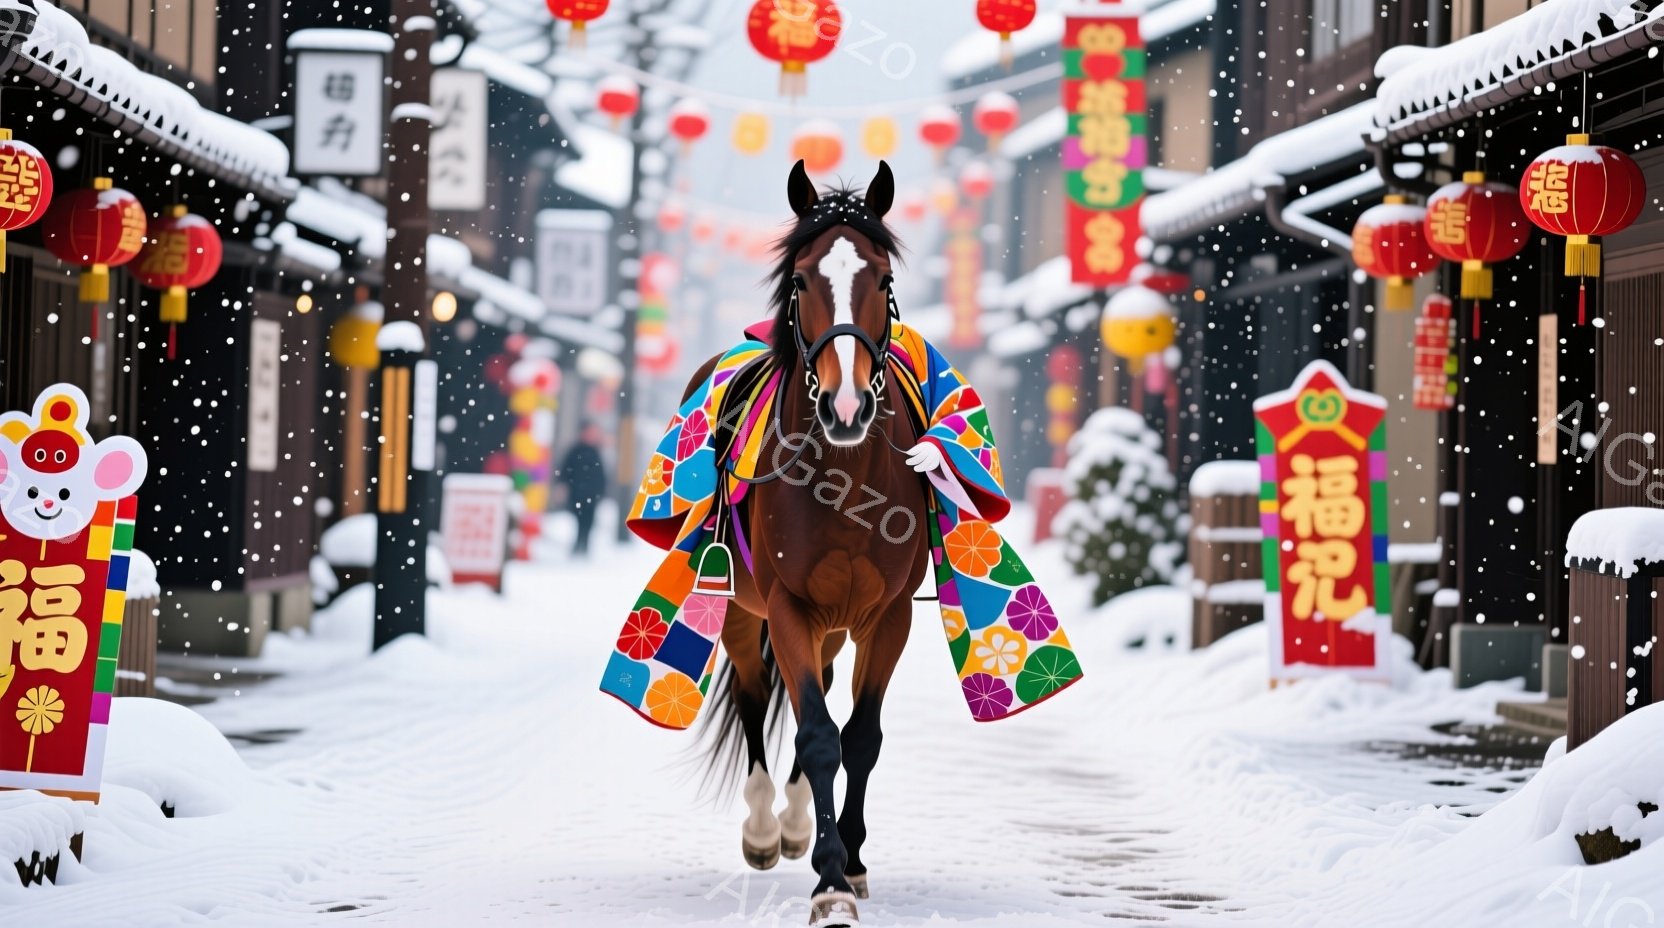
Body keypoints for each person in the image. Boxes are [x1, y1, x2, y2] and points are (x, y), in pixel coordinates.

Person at [556, 421, 607, 556]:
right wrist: (562, 485)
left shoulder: (595, 451)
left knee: (589, 521)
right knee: (579, 519)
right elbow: (565, 470)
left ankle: (585, 544)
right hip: (577, 492)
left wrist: (601, 491)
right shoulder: (575, 451)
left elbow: (600, 474)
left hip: (592, 494)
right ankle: (578, 543)